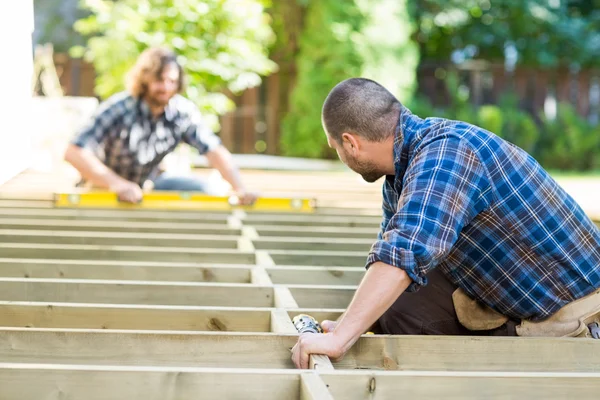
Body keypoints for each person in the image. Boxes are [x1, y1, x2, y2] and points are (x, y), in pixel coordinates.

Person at [291, 77, 600, 369]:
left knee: (401, 293)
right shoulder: (402, 175)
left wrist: (340, 339)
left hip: (574, 317)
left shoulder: (447, 154)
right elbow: (390, 262)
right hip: (523, 300)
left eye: (337, 150)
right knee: (400, 305)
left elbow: (405, 251)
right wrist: (348, 325)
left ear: (351, 143)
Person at [64, 46, 257, 204]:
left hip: (146, 186)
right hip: (103, 187)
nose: (165, 87)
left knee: (206, 191)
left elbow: (214, 150)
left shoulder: (182, 113)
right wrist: (118, 184)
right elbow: (74, 152)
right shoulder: (120, 108)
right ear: (144, 79)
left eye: (171, 81)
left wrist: (240, 188)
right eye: (159, 80)